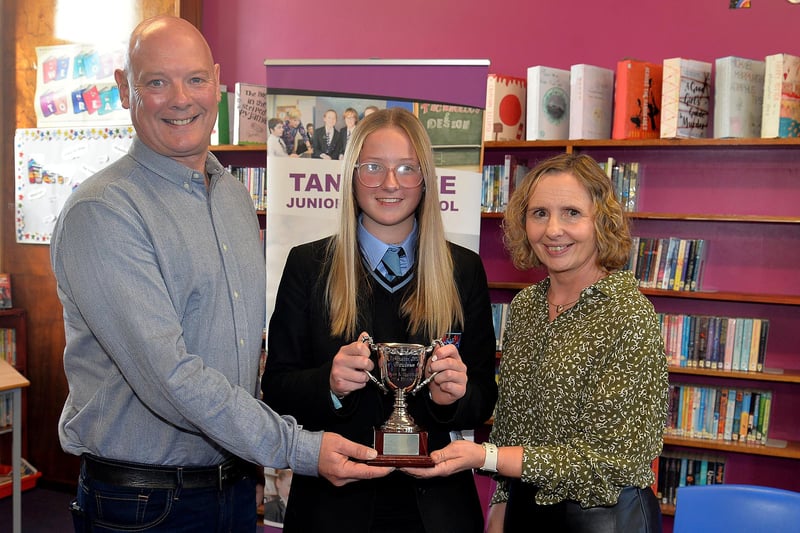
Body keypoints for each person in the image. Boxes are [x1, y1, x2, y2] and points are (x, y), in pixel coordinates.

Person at [50, 15, 391, 533]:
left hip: (230, 489)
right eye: (156, 82)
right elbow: (171, 379)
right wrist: (297, 447)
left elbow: (238, 357)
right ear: (125, 89)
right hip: (144, 505)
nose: (181, 99)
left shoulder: (232, 195)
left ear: (217, 81)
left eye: (195, 79)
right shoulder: (103, 213)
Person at [262, 107, 498, 532]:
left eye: (407, 168)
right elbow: (276, 388)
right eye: (373, 167)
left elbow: (483, 395)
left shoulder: (463, 270)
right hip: (332, 507)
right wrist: (329, 386)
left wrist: (453, 399)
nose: (390, 184)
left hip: (437, 509)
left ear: (425, 180)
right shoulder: (308, 265)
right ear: (352, 176)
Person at [408, 153, 669, 533]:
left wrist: (486, 457)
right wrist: (500, 504)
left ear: (602, 221)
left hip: (603, 517)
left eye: (572, 213)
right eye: (540, 213)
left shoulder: (628, 315)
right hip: (525, 511)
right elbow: (513, 422)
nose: (553, 229)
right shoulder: (527, 306)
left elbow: (612, 461)